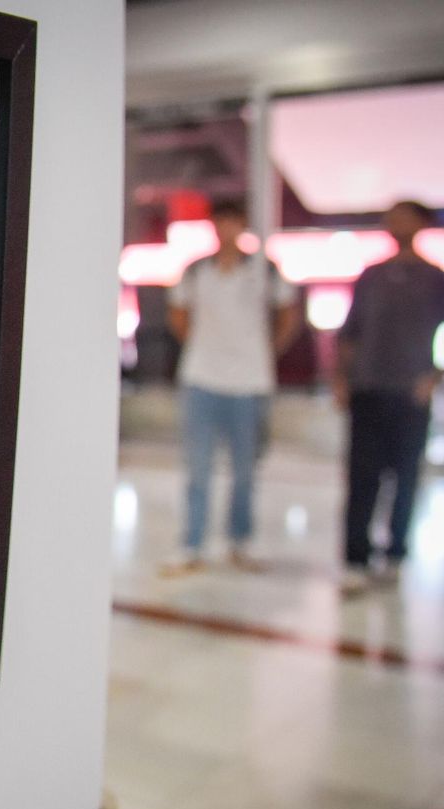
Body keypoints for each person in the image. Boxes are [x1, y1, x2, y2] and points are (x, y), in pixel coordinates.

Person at [335, 200, 444, 594]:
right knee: (362, 479)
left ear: (421, 224)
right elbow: (349, 334)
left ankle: (395, 553)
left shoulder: (437, 280)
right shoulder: (371, 277)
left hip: (410, 395)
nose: (397, 225)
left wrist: (436, 377)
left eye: (405, 218)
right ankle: (355, 558)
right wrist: (342, 380)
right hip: (368, 389)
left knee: (405, 477)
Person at [161, 199, 299, 575]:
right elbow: (177, 312)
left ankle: (241, 540)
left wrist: (268, 349)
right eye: (220, 223)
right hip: (202, 378)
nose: (226, 230)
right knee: (198, 468)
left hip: (250, 381)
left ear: (242, 226)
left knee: (245, 469)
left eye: (233, 222)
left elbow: (287, 312)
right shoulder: (196, 270)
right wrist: (198, 344)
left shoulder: (264, 270)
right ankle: (191, 544)